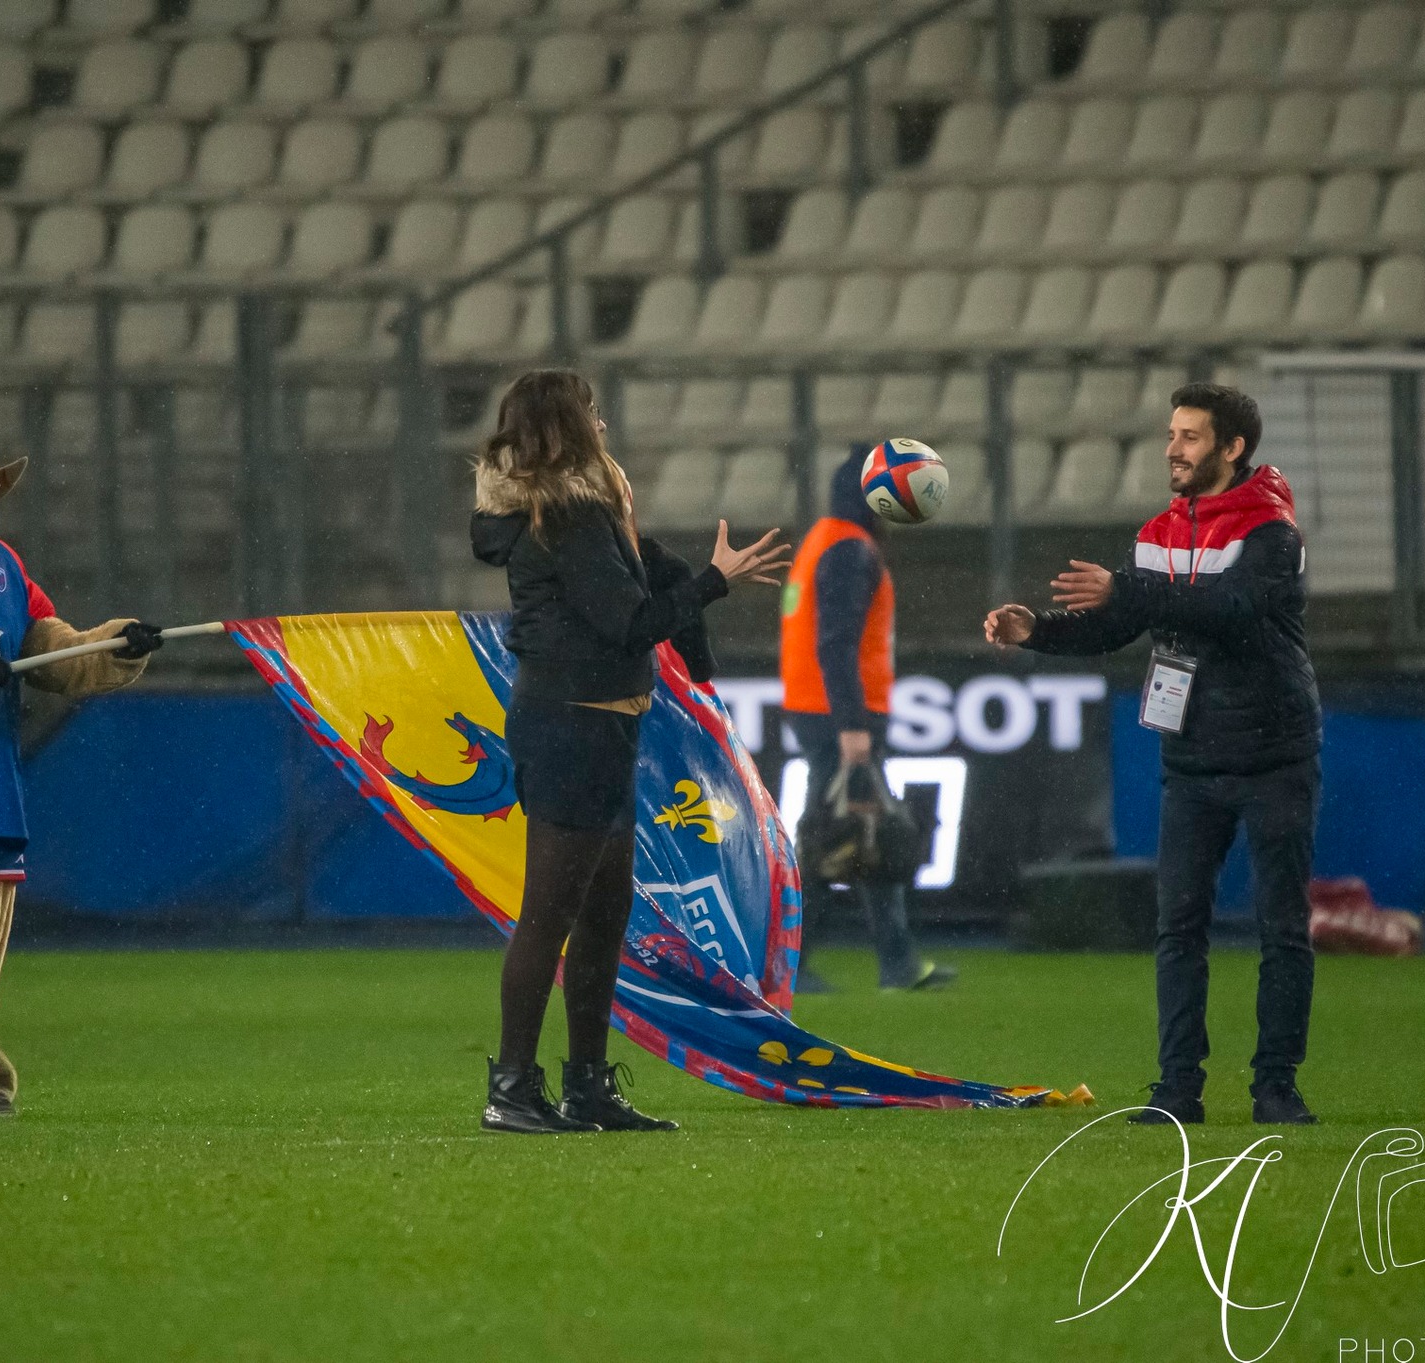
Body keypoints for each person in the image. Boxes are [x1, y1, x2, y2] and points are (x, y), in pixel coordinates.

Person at [983, 384, 1323, 1126]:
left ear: (1232, 448)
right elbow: (1115, 625)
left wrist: (1130, 588)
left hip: (1273, 753)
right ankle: (1177, 1089)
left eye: (1190, 436)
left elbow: (1233, 609)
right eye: (1172, 434)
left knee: (1281, 927)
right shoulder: (1158, 534)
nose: (1173, 448)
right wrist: (1036, 630)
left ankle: (1275, 1086)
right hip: (1193, 756)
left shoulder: (1272, 530)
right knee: (1178, 930)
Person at [470, 371, 791, 1134]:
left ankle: (586, 1087)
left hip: (593, 725)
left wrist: (690, 593)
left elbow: (638, 582)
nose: (603, 423)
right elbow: (630, 622)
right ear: (570, 425)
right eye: (592, 412)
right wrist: (715, 582)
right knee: (549, 917)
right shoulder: (570, 517)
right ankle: (512, 1090)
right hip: (573, 726)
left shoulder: (558, 511)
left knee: (604, 913)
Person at [781, 452, 955, 993]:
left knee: (859, 830)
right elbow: (836, 646)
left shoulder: (823, 540)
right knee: (831, 837)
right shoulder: (850, 551)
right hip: (838, 716)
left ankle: (893, 961)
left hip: (817, 707)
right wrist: (852, 726)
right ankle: (793, 967)